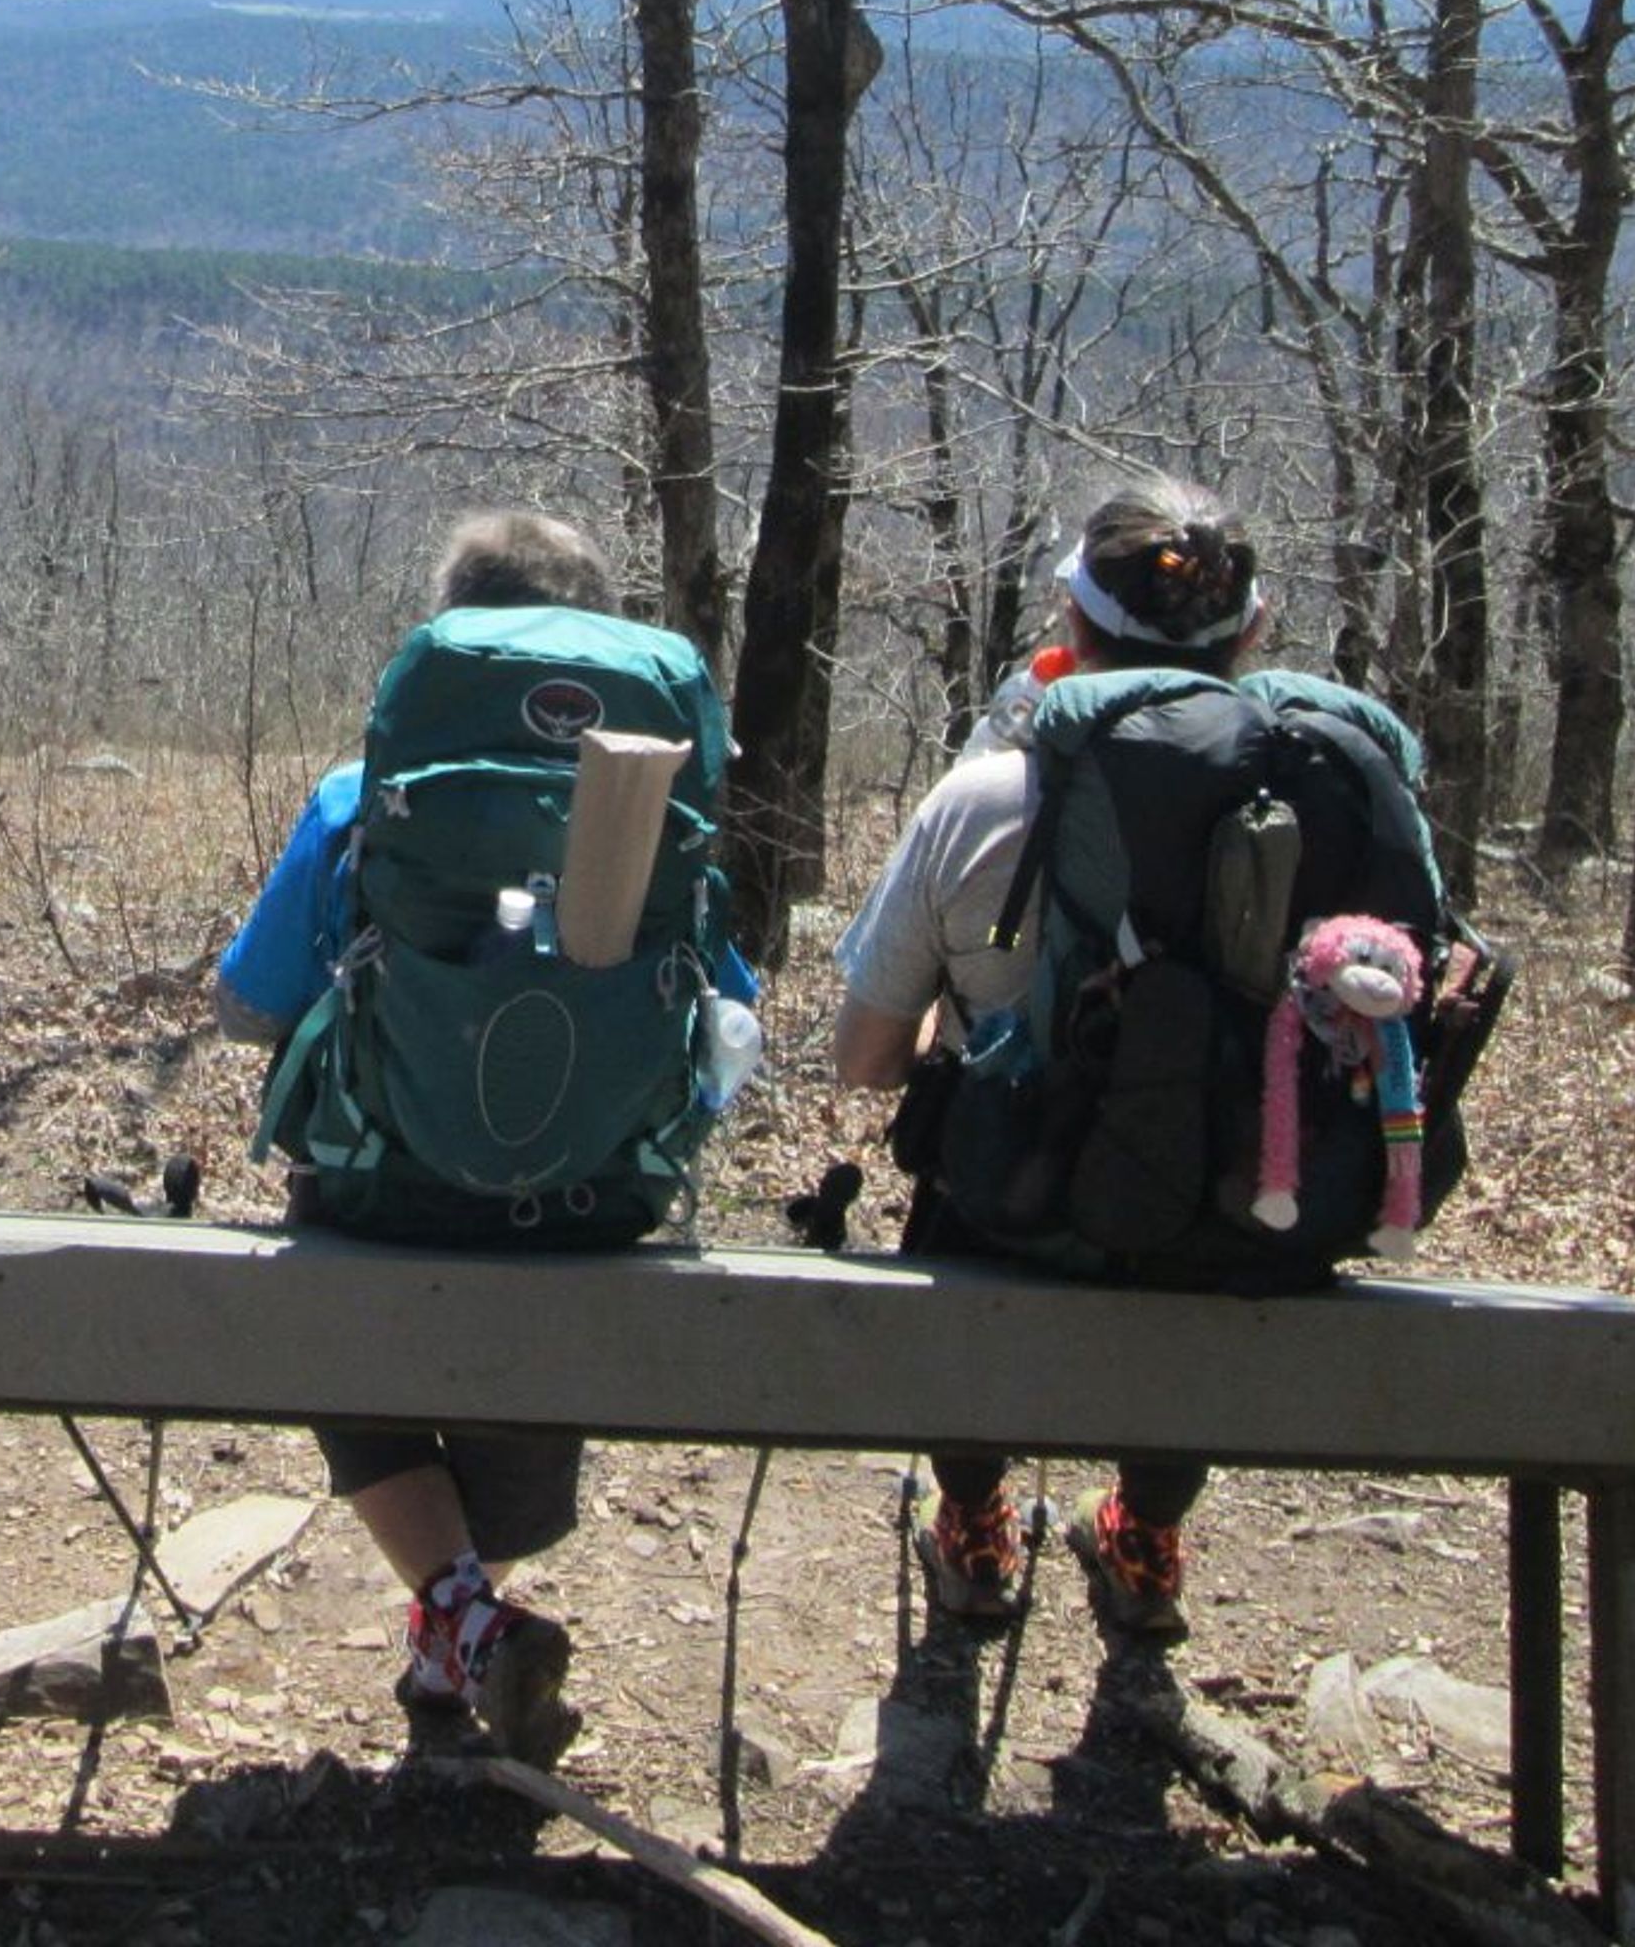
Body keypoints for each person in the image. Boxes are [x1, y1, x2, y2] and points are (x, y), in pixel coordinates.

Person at [218, 508, 760, 1764]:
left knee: (333, 1321)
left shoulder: (362, 798)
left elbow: (253, 1006)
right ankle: (456, 1631)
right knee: (540, 1308)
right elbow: (727, 1016)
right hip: (595, 1192)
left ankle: (460, 1618)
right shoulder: (665, 804)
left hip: (386, 1184)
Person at [831, 478, 1268, 1645]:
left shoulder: (980, 801)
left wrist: (964, 1022)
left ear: (1067, 631)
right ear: (1256, 636)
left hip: (1011, 1214)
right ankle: (1144, 1535)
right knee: (1196, 1211)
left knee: (964, 1180)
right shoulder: (1302, 799)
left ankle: (974, 1522)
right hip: (1221, 1231)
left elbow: (867, 1058)